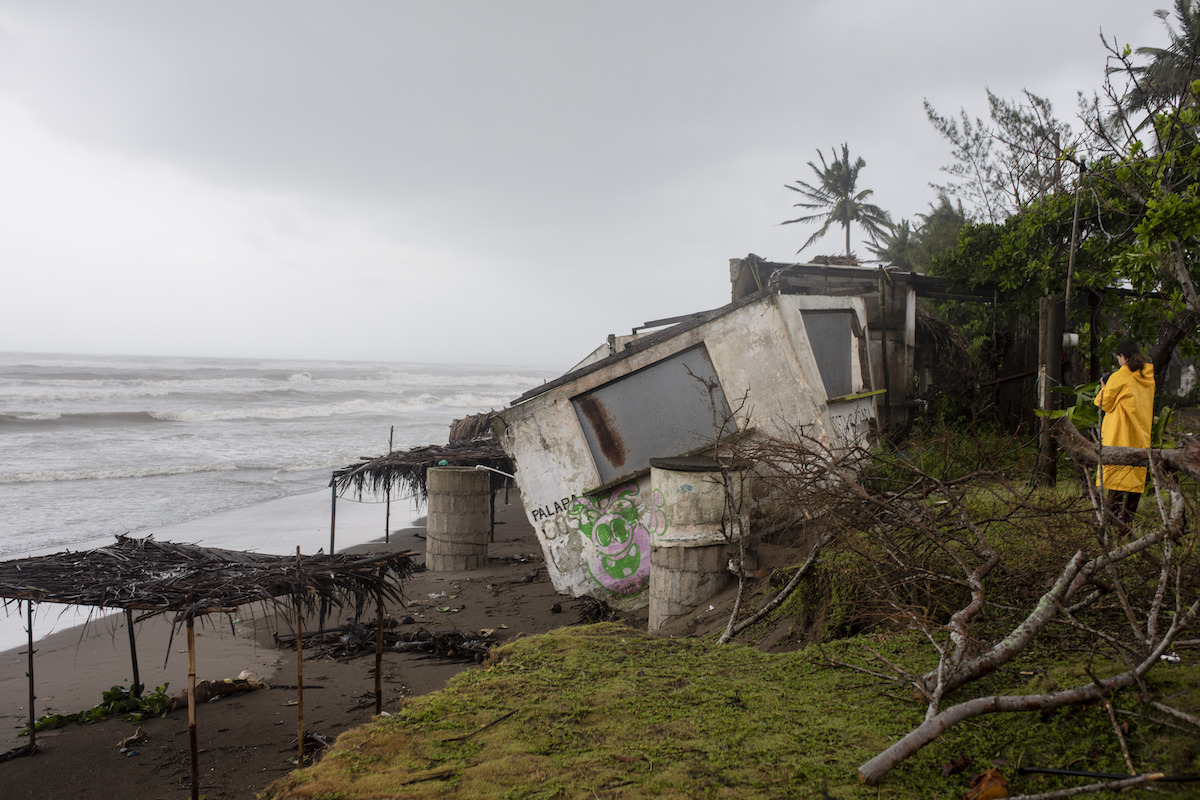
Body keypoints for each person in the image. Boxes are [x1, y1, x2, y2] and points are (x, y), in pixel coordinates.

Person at [1093, 340, 1155, 523]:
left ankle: (1112, 515)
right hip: (1140, 430)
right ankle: (1128, 515)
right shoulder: (1148, 376)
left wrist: (1104, 386)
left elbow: (1103, 403)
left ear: (1123, 357)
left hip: (1121, 430)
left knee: (1117, 470)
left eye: (1118, 357)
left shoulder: (1121, 376)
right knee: (1135, 472)